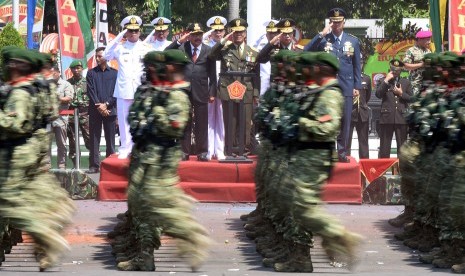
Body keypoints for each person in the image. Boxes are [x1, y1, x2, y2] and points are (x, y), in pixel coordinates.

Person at [113, 50, 211, 271]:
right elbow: (134, 117)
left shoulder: (176, 96)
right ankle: (144, 256)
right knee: (140, 206)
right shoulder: (154, 91)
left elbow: (172, 127)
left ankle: (192, 237)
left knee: (159, 206)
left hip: (160, 158)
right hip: (143, 154)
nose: (149, 71)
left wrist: (154, 114)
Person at [0, 46, 75, 271]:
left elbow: (16, 123)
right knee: (34, 193)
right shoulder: (39, 87)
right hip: (34, 144)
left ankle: (45, 233)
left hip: (19, 151)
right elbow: (50, 113)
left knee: (8, 202)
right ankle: (53, 223)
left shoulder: (22, 92)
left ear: (15, 65)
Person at [304, 8, 362, 163]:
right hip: (327, 87)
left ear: (344, 22)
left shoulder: (353, 41)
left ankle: (342, 152)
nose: (336, 24)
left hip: (346, 86)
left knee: (345, 120)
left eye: (339, 22)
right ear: (330, 22)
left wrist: (357, 85)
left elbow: (357, 65)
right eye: (333, 22)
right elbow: (306, 51)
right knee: (326, 118)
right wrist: (321, 34)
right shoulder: (324, 40)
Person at [208, 18, 260, 156]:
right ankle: (230, 149)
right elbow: (211, 55)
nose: (238, 34)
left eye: (241, 32)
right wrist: (224, 39)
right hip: (228, 90)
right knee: (230, 121)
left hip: (246, 91)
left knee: (245, 121)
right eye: (235, 32)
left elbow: (256, 75)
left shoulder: (253, 52)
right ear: (232, 33)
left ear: (245, 33)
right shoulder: (225, 49)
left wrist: (255, 94)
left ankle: (244, 149)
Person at [166, 23, 217, 161]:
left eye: (199, 34)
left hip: (201, 90)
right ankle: (184, 151)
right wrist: (179, 41)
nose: (197, 37)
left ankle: (202, 152)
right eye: (194, 35)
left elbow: (212, 74)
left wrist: (212, 92)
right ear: (189, 35)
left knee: (201, 122)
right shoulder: (182, 48)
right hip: (184, 91)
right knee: (185, 122)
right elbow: (166, 52)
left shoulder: (208, 50)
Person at [104, 15, 153, 159]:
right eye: (130, 31)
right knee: (124, 120)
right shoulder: (119, 47)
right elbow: (106, 55)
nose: (133, 33)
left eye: (136, 30)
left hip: (141, 89)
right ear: (126, 32)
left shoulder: (146, 48)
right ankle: (125, 147)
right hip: (124, 89)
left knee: (142, 119)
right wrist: (120, 35)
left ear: (139, 31)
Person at [86, 47, 118, 173]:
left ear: (106, 57)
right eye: (97, 56)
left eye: (100, 56)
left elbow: (116, 92)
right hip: (95, 111)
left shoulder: (115, 73)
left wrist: (107, 104)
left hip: (110, 110)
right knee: (94, 138)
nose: (98, 58)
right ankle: (94, 165)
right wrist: (99, 106)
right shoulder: (91, 73)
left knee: (110, 140)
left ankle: (109, 166)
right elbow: (91, 91)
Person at [375, 59, 412, 158]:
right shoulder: (383, 81)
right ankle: (382, 170)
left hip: (401, 118)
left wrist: (401, 94)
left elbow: (411, 99)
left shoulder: (406, 82)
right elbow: (378, 94)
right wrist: (386, 80)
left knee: (402, 148)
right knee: (384, 147)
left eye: (397, 70)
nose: (395, 72)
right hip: (387, 118)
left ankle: (403, 170)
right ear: (390, 69)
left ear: (401, 71)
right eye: (393, 70)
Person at [204, 15, 227, 160]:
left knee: (222, 119)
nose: (218, 33)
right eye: (215, 30)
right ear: (211, 32)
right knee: (209, 118)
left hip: (223, 86)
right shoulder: (206, 47)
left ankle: (220, 150)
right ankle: (209, 150)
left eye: (220, 30)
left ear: (224, 31)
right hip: (209, 86)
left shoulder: (228, 46)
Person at [67, 60, 90, 168]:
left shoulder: (87, 82)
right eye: (74, 68)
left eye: (78, 68)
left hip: (85, 113)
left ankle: (93, 163)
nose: (76, 70)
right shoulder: (68, 83)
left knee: (89, 139)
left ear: (82, 69)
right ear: (71, 70)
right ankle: (76, 165)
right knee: (72, 141)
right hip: (71, 114)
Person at [51, 64, 74, 169]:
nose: (51, 75)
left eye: (53, 73)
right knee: (46, 143)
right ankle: (46, 166)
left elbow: (69, 98)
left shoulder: (66, 84)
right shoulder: (47, 84)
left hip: (60, 117)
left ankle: (61, 165)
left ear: (58, 72)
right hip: (48, 118)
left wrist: (57, 98)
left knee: (61, 143)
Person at [348, 60, 371, 159]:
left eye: (361, 62)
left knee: (363, 142)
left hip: (362, 114)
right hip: (349, 113)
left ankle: (364, 167)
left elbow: (368, 97)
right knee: (346, 142)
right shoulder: (346, 78)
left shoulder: (366, 78)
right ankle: (346, 166)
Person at [253, 20, 279, 96]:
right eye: (270, 33)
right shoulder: (258, 46)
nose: (272, 35)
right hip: (262, 84)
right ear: (266, 34)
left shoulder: (281, 47)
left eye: (274, 33)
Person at [403, 30, 432, 96]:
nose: (429, 42)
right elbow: (405, 65)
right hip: (415, 83)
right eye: (427, 40)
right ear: (420, 40)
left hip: (427, 83)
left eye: (430, 40)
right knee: (415, 103)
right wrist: (421, 64)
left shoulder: (428, 51)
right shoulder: (411, 51)